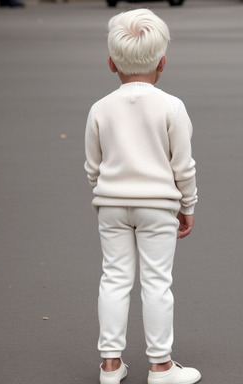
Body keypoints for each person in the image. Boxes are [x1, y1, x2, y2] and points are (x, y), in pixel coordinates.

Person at [84, 8, 201, 384]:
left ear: (111, 63)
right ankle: (161, 366)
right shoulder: (172, 107)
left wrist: (105, 192)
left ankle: (110, 365)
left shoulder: (100, 108)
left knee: (114, 278)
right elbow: (183, 166)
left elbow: (92, 165)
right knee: (156, 281)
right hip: (159, 207)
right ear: (162, 62)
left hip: (111, 205)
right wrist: (188, 205)